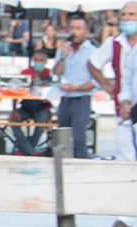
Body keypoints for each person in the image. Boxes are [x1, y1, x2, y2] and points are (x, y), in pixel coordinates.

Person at [94, 1, 137, 227]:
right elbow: (94, 64)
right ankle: (126, 217)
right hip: (127, 112)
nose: (128, 19)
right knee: (126, 164)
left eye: (132, 15)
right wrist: (112, 90)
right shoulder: (116, 44)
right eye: (125, 15)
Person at [54, 16, 98, 159]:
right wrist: (62, 57)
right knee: (62, 138)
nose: (74, 32)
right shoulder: (64, 50)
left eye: (78, 29)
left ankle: (82, 167)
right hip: (65, 99)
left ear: (86, 32)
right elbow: (56, 73)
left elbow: (96, 81)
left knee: (79, 139)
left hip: (81, 98)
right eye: (72, 28)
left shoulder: (92, 52)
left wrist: (76, 88)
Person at [12, 51, 53, 155]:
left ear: (45, 62)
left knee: (42, 121)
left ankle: (27, 150)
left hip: (42, 105)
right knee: (13, 121)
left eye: (41, 61)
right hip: (26, 105)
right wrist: (14, 110)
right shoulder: (25, 72)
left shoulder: (49, 73)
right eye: (36, 60)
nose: (38, 63)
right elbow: (16, 91)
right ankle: (29, 150)